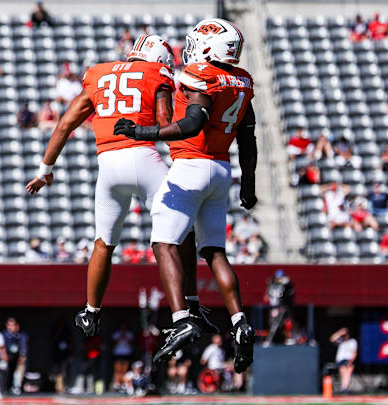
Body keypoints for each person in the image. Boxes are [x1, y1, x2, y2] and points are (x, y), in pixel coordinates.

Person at [25, 35, 216, 340]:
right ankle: (187, 310)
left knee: (103, 243)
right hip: (144, 158)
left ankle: (91, 310)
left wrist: (45, 170)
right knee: (181, 232)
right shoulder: (158, 74)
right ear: (161, 60)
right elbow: (166, 122)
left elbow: (64, 124)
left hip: (109, 167)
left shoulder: (98, 74)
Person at [113, 19, 257, 369]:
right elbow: (248, 141)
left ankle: (182, 320)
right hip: (221, 171)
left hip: (191, 165)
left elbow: (192, 122)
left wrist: (141, 131)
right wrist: (249, 185)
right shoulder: (242, 81)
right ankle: (240, 323)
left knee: (163, 244)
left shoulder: (201, 75)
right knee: (214, 251)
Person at [3, 318, 28, 395]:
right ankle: (7, 388)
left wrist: (22, 355)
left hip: (18, 357)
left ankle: (16, 388)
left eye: (13, 325)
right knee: (7, 373)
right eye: (10, 325)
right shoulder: (4, 335)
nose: (11, 327)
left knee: (19, 373)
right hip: (7, 357)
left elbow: (23, 345)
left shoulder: (21, 335)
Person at [330, 328, 357, 393]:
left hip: (348, 359)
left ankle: (345, 388)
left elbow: (354, 352)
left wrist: (350, 361)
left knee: (348, 372)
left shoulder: (352, 341)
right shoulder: (340, 341)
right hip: (341, 360)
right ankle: (344, 388)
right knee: (343, 372)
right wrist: (340, 332)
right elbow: (332, 339)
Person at [111, 321, 134, 392]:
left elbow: (130, 344)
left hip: (126, 353)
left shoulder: (129, 334)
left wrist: (125, 337)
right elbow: (114, 344)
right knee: (118, 369)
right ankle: (117, 383)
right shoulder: (116, 334)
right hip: (118, 353)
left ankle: (124, 383)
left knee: (124, 369)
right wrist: (120, 337)